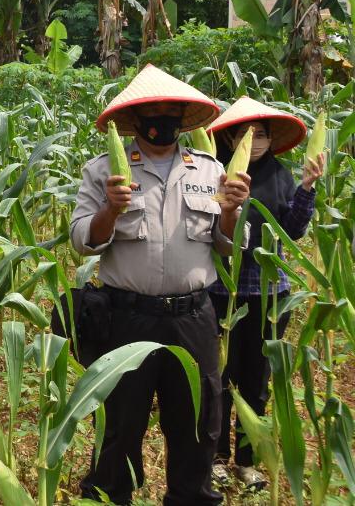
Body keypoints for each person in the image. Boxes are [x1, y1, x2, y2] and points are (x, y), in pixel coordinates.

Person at [71, 65, 250, 506]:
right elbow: (81, 242)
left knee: (197, 424)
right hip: (127, 317)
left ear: (184, 117)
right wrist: (110, 211)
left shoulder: (209, 170)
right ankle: (112, 496)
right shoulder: (103, 173)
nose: (163, 117)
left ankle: (191, 497)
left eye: (173, 110)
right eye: (154, 109)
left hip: (192, 317)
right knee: (119, 425)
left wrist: (230, 210)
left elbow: (230, 246)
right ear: (135, 118)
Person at [206, 97, 324, 492]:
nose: (254, 141)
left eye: (262, 133)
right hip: (223, 288)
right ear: (231, 138)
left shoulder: (280, 174)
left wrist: (307, 186)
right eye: (245, 133)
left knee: (256, 379)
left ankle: (247, 460)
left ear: (272, 140)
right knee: (219, 376)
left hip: (268, 294)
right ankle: (217, 458)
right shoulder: (215, 172)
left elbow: (292, 228)